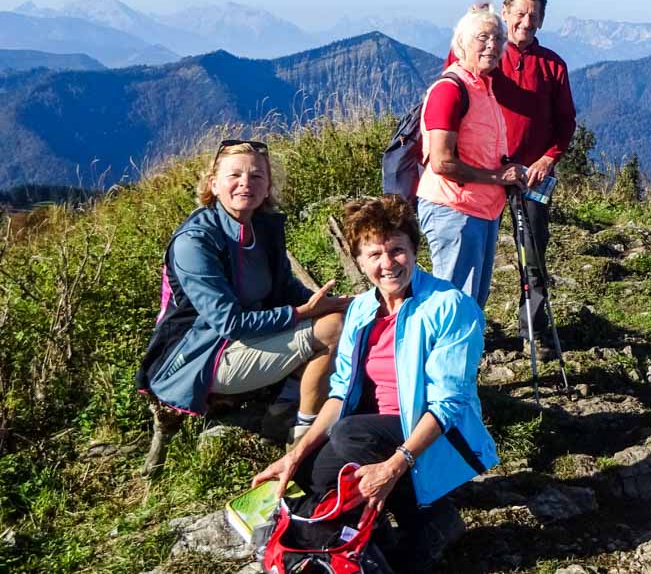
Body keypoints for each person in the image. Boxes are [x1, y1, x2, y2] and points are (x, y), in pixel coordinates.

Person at [252, 195, 498, 571]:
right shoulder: (362, 309)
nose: (387, 264)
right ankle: (379, 532)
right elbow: (340, 393)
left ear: (414, 250)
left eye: (397, 250)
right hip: (370, 433)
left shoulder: (450, 306)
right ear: (359, 260)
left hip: (436, 436)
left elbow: (448, 404)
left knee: (349, 436)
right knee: (308, 469)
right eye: (374, 254)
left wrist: (393, 466)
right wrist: (295, 454)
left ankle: (423, 518)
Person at [135, 139, 350, 473]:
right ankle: (302, 439)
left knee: (341, 319)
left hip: (241, 342)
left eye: (256, 176)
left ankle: (282, 409)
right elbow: (229, 322)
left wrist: (328, 303)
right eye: (234, 175)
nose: (245, 183)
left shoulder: (261, 229)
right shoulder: (196, 241)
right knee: (332, 330)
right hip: (198, 357)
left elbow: (284, 289)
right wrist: (304, 313)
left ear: (267, 187)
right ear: (213, 185)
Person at [448, 0, 576, 352]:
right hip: (485, 172)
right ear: (504, 13)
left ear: (542, 20)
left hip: (532, 175)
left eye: (534, 15)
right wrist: (473, 25)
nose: (526, 22)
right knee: (474, 254)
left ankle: (533, 329)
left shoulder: (552, 64)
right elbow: (456, 73)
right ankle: (465, 330)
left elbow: (566, 121)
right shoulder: (489, 53)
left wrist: (548, 158)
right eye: (519, 13)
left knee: (532, 254)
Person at [418, 4, 526, 306]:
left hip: (482, 209)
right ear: (461, 44)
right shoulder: (450, 90)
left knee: (472, 300)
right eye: (483, 37)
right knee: (455, 302)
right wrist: (496, 177)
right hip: (455, 209)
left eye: (498, 38)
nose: (492, 45)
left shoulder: (482, 87)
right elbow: (442, 162)